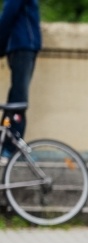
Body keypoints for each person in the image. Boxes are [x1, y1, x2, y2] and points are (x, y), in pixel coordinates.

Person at [0, 0, 41, 160]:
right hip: (22, 45)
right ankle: (10, 147)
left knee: (17, 97)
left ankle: (10, 146)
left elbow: (9, 14)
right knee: (18, 99)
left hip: (23, 45)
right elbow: (9, 13)